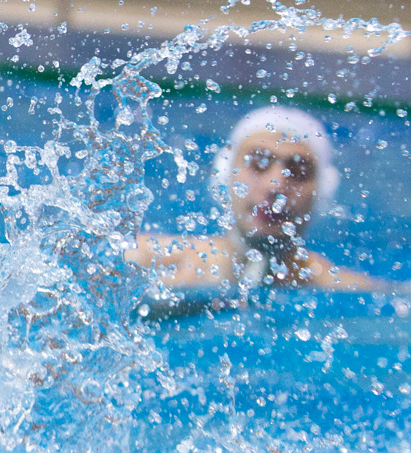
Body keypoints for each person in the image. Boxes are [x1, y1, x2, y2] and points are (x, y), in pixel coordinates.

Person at [127, 106, 380, 306]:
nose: (276, 186)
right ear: (225, 175)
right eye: (257, 163)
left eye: (298, 171)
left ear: (321, 193)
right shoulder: (147, 261)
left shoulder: (347, 291)